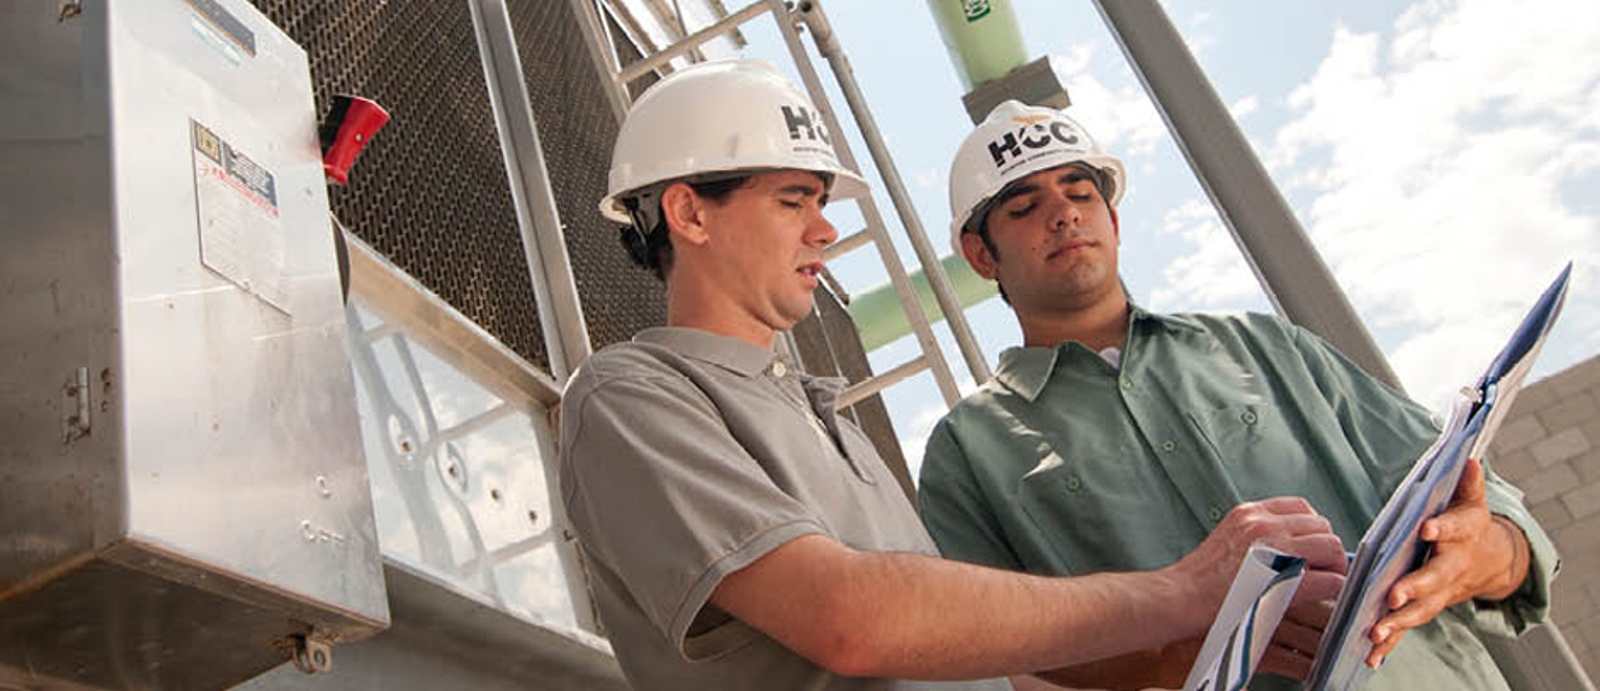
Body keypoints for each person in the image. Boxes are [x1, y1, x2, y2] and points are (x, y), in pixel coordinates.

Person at [557, 60, 1350, 691]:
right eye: (795, 200)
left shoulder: (821, 418)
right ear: (691, 214)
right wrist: (1184, 592)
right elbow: (849, 620)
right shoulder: (632, 397)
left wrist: (1187, 658)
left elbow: (962, 661)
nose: (826, 229)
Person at [918, 100, 1562, 690]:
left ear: (1112, 218)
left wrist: (1488, 550)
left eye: (1081, 192)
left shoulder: (1267, 347)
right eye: (1025, 207)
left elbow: (1467, 502)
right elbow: (987, 651)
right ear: (980, 254)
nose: (1064, 214)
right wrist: (1176, 653)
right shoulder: (968, 453)